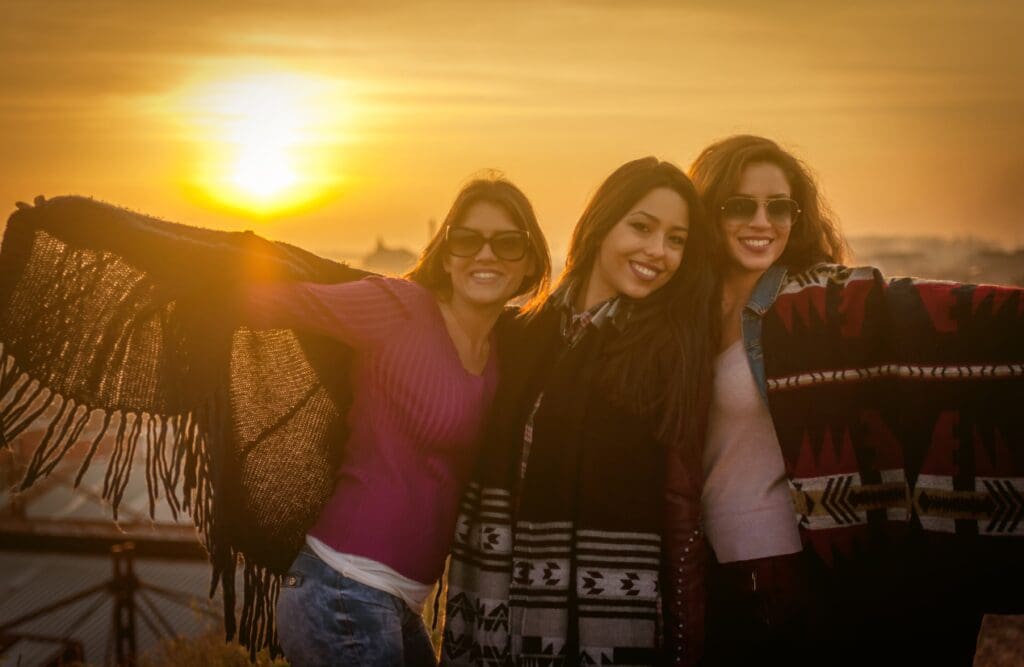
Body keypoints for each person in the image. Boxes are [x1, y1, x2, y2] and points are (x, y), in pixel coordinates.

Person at [0, 178, 551, 665]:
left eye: (507, 242)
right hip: (342, 594)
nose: (486, 254)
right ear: (446, 251)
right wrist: (108, 230)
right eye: (467, 238)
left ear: (530, 261)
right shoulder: (398, 307)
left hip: (395, 604)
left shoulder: (508, 351)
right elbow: (256, 289)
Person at [661, 134, 1024, 665]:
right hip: (708, 577)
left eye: (779, 207)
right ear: (706, 213)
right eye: (739, 205)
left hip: (794, 575)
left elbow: (955, 316)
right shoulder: (680, 315)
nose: (761, 222)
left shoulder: (829, 305)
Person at [443, 157, 717, 665]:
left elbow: (683, 497)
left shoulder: (672, 353)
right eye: (641, 227)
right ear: (599, 224)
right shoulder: (523, 334)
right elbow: (426, 314)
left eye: (676, 239)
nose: (658, 252)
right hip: (497, 602)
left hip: (610, 619)